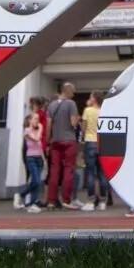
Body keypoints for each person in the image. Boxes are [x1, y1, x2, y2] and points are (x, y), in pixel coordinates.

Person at [45, 82, 80, 210]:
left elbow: (49, 125)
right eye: (73, 91)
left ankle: (51, 201)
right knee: (68, 170)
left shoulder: (52, 105)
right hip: (69, 141)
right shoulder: (71, 104)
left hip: (55, 142)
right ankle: (66, 200)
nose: (74, 94)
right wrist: (78, 119)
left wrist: (48, 141)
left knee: (54, 171)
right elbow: (73, 123)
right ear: (67, 91)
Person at [81, 90, 105, 211]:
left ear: (94, 99)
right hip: (102, 143)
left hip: (90, 142)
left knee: (90, 173)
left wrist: (83, 137)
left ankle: (91, 201)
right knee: (102, 174)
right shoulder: (105, 111)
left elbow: (83, 128)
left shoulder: (87, 110)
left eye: (91, 97)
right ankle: (103, 202)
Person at [20, 111, 45, 213]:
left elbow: (40, 146)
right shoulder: (27, 131)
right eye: (35, 119)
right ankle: (22, 194)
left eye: (38, 119)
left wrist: (44, 159)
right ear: (30, 120)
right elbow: (36, 139)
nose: (37, 121)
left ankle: (32, 203)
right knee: (36, 181)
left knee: (37, 183)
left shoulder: (38, 129)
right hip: (31, 158)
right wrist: (40, 129)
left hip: (39, 158)